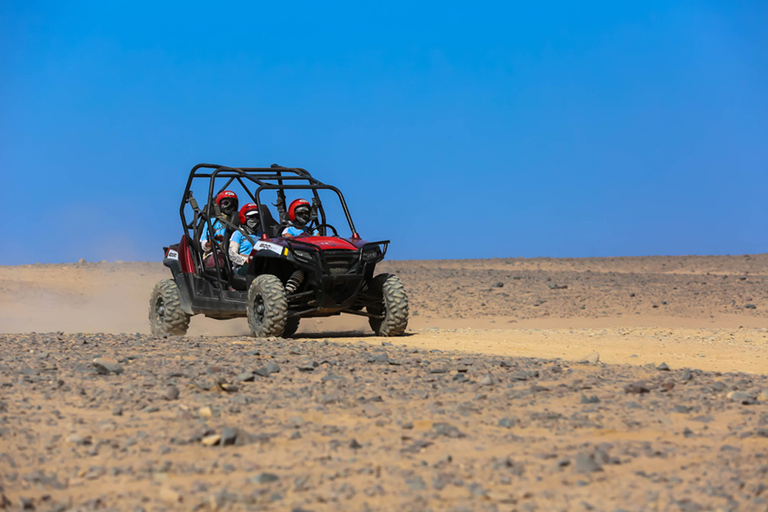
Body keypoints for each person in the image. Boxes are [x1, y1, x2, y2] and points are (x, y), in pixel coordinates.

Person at [229, 203, 262, 275]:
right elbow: (232, 254)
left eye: (257, 216)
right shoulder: (238, 234)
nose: (255, 219)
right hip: (242, 266)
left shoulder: (262, 234)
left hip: (261, 264)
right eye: (251, 216)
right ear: (244, 217)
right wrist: (247, 260)